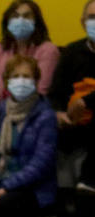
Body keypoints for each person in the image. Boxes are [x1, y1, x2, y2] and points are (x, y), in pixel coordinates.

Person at [0, 54, 57, 217]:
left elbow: (42, 162)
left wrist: (5, 188)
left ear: (36, 81)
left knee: (5, 205)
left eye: (26, 77)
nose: (21, 81)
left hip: (33, 189)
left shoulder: (46, 115)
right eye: (15, 76)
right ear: (6, 81)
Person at [48, 0, 95, 198]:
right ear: (82, 22)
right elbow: (55, 92)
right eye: (92, 17)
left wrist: (87, 101)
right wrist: (58, 113)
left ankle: (89, 182)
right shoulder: (72, 52)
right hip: (74, 122)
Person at [0, 1, 59, 108]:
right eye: (15, 16)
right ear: (8, 21)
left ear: (36, 21)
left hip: (32, 112)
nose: (20, 20)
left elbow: (41, 91)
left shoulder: (48, 50)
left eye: (27, 16)